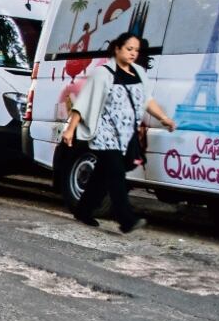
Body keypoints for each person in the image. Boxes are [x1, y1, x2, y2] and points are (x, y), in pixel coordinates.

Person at [61, 32, 177, 233]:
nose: (133, 53)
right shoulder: (103, 73)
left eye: (136, 50)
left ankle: (83, 209)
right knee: (115, 174)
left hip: (126, 135)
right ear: (117, 49)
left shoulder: (139, 72)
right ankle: (126, 219)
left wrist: (163, 118)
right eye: (129, 49)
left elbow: (146, 100)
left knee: (103, 175)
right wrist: (70, 129)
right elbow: (84, 102)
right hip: (106, 134)